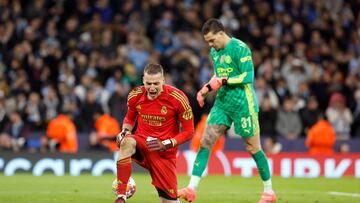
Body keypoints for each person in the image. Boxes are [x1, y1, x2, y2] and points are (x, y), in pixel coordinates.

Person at [178, 18, 276, 203]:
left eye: (212, 40)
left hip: (243, 104)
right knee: (206, 141)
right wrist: (206, 88)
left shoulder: (240, 48)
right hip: (222, 103)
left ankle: (269, 192)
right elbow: (218, 74)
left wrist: (224, 81)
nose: (210, 45)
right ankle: (192, 188)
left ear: (221, 33)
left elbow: (248, 76)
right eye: (207, 41)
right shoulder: (214, 52)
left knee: (253, 147)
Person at [114, 64, 195, 203]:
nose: (152, 88)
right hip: (141, 142)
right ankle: (121, 196)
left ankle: (180, 193)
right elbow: (130, 118)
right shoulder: (135, 95)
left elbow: (189, 132)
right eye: (148, 83)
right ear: (143, 80)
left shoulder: (178, 98)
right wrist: (125, 131)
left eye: (156, 83)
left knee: (168, 201)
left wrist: (166, 143)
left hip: (163, 152)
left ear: (163, 80)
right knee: (127, 142)